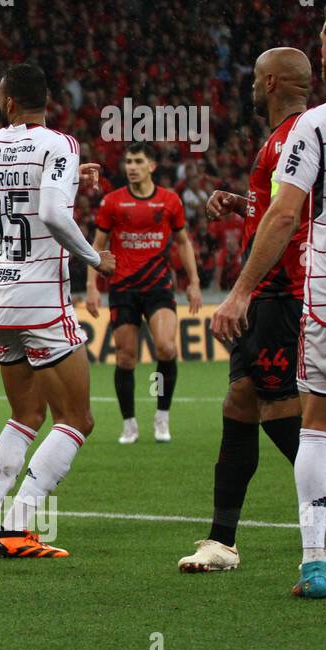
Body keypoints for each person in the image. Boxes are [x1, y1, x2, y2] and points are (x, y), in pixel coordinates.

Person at [180, 47, 326, 573]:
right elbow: (288, 207)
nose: (249, 88)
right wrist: (243, 203)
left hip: (286, 291)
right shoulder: (292, 135)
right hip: (280, 292)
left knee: (281, 408)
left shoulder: (295, 134)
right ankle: (222, 541)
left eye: (255, 79)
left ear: (273, 81)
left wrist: (240, 292)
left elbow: (289, 219)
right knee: (241, 402)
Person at [0, 64, 115, 558]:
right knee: (77, 419)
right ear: (45, 99)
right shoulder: (61, 145)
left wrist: (69, 179)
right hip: (42, 299)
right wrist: (94, 256)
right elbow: (50, 212)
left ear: (7, 102)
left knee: (25, 413)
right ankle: (19, 523)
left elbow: (5, 193)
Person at [85, 142, 202, 444]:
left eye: (138, 161)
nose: (131, 167)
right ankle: (129, 424)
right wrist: (91, 286)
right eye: (128, 162)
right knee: (126, 357)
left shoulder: (169, 201)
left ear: (151, 166)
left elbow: (183, 243)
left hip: (158, 286)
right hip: (123, 287)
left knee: (166, 348)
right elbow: (97, 246)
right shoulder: (112, 202)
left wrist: (194, 281)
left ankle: (161, 415)